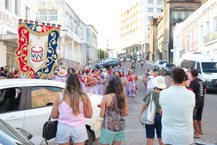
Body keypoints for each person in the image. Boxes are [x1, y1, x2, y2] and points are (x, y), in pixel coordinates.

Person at [51, 73, 93, 145]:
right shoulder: (84, 96)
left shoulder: (60, 96)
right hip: (79, 128)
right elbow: (89, 115)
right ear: (78, 83)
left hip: (63, 128)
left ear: (67, 83)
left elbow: (54, 115)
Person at [159, 67, 195, 145]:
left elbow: (163, 110)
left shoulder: (163, 93)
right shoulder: (191, 94)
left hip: (169, 136)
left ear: (171, 78)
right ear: (184, 79)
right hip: (186, 137)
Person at [99, 76, 128, 145]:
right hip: (120, 127)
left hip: (108, 128)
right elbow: (125, 113)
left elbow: (102, 115)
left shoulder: (106, 97)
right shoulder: (123, 98)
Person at [140, 76, 166, 145]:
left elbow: (144, 106)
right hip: (162, 117)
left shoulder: (152, 93)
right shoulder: (165, 94)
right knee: (161, 137)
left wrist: (141, 116)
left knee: (150, 138)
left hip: (150, 117)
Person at [188, 69, 206, 138]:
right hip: (202, 101)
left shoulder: (193, 82)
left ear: (191, 74)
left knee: (193, 117)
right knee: (199, 117)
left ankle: (196, 132)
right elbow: (204, 92)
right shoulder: (202, 82)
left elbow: (189, 92)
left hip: (195, 102)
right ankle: (200, 131)